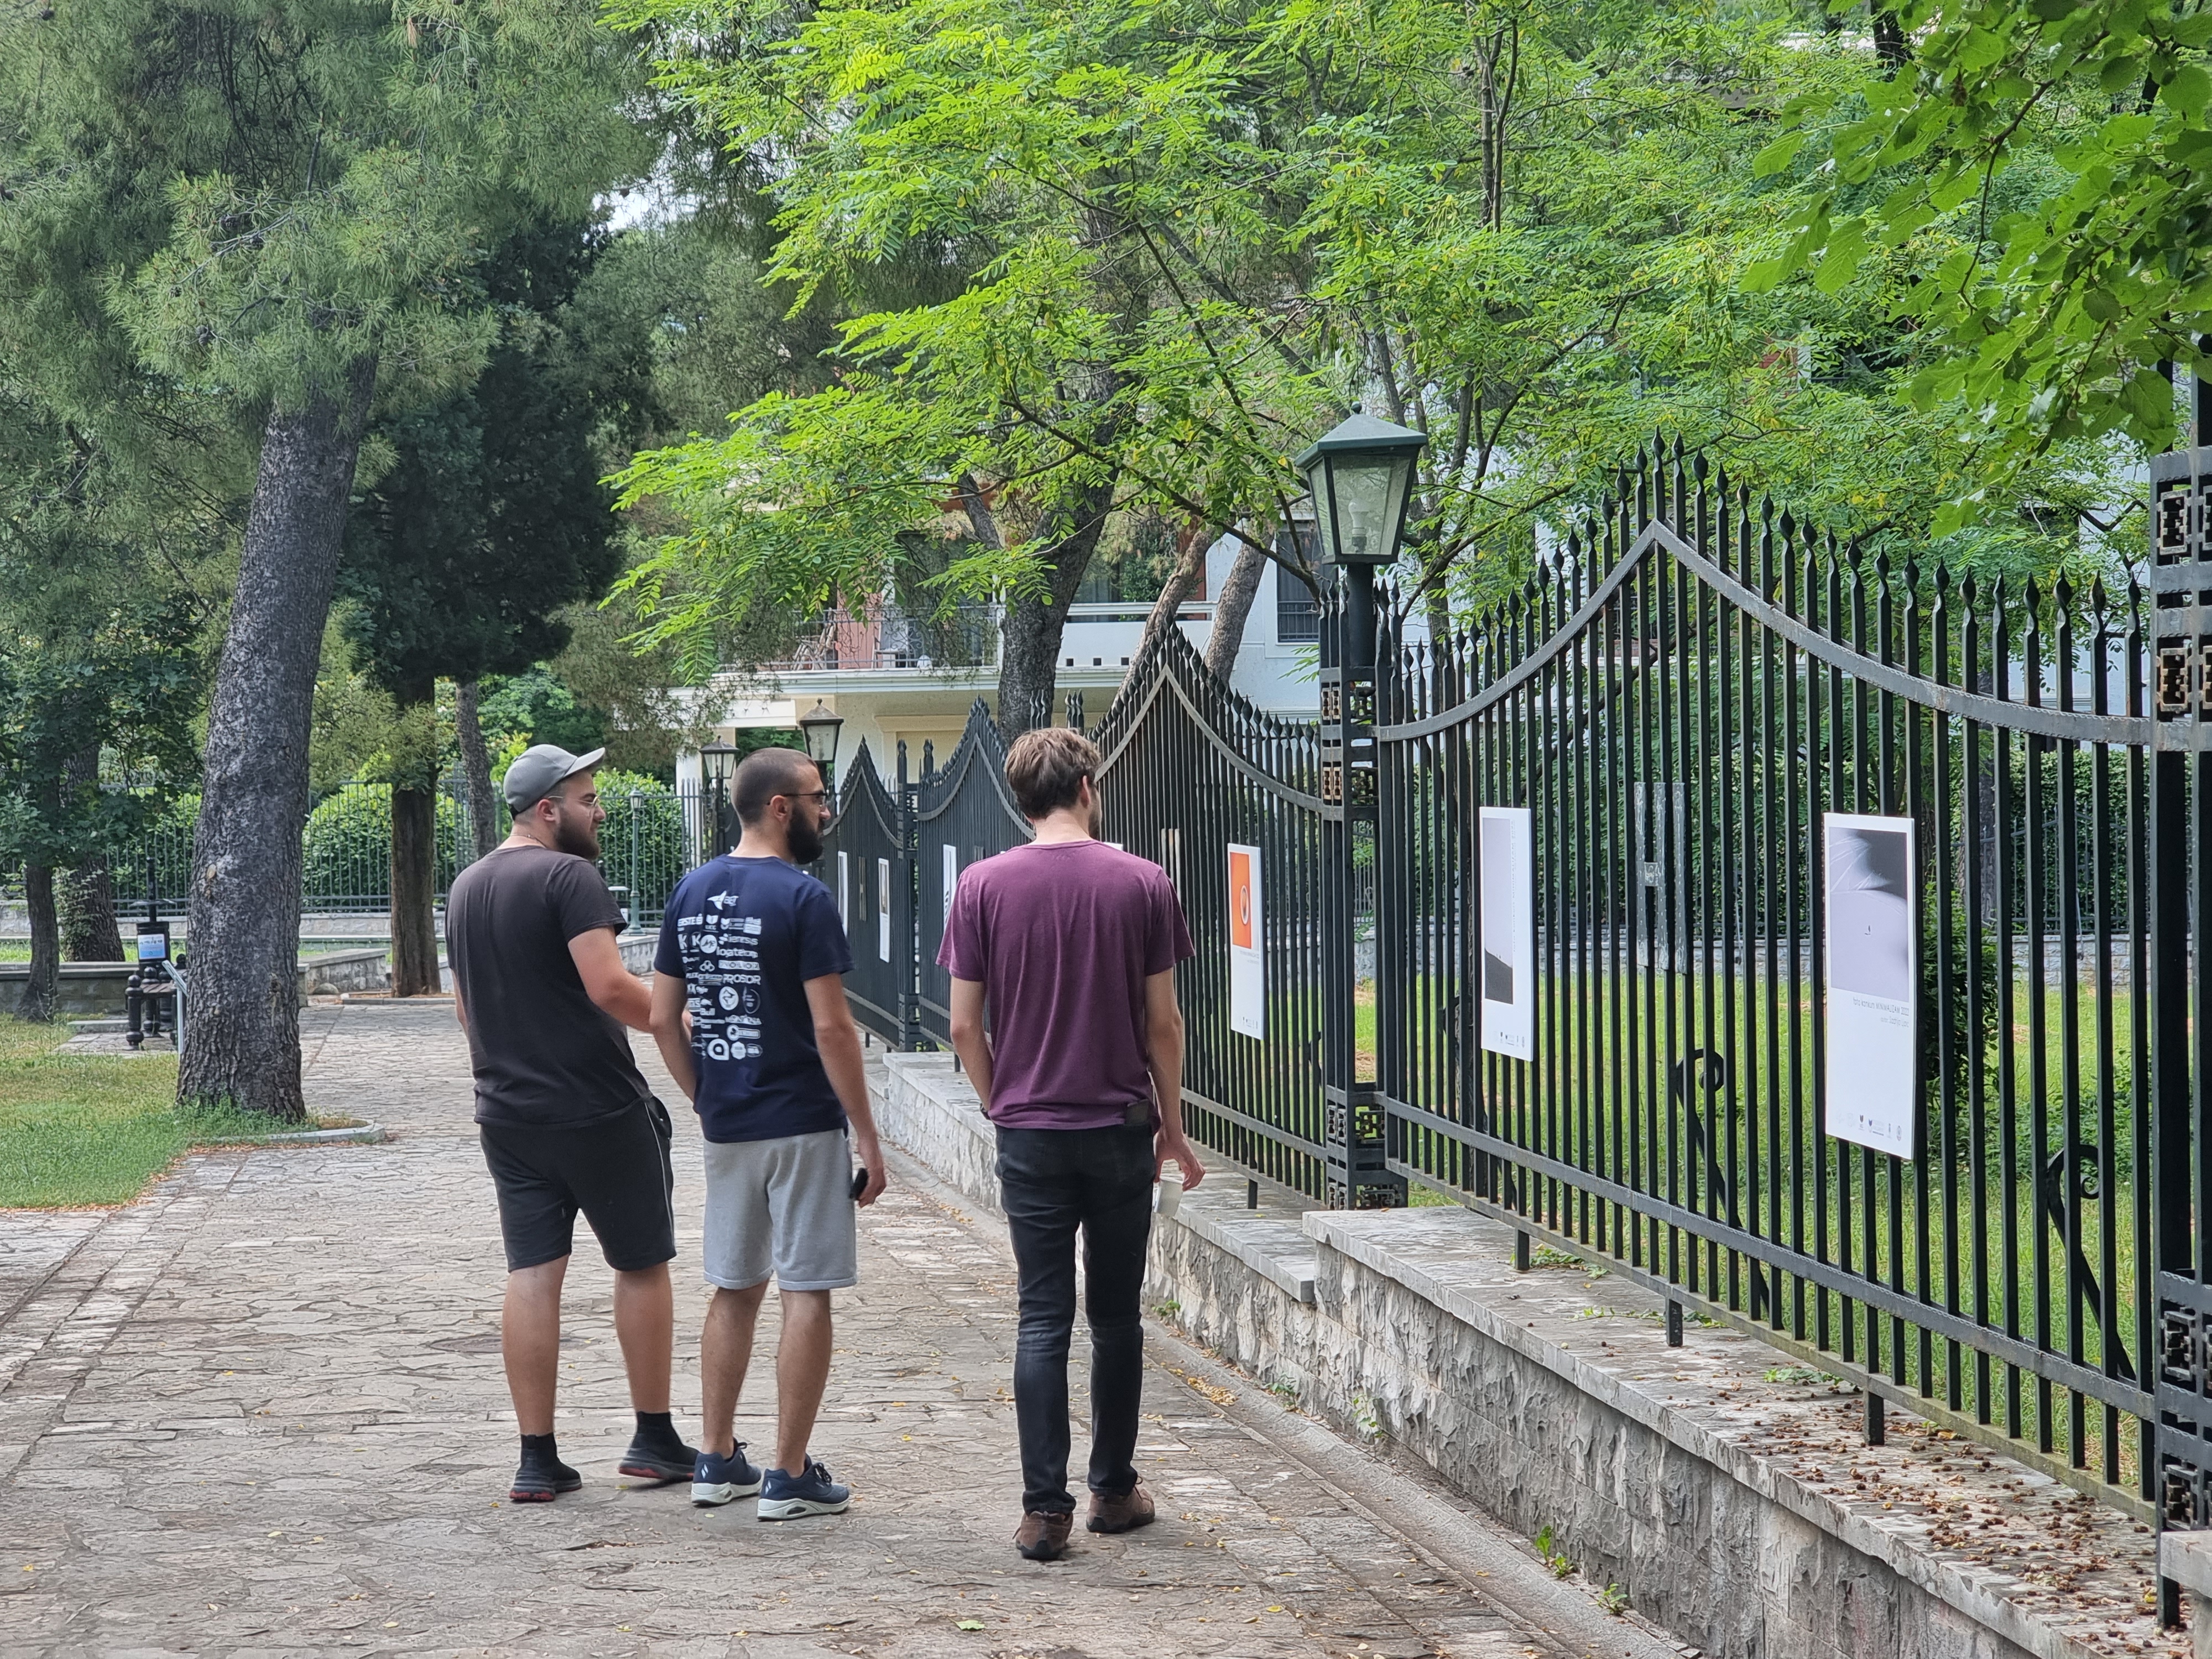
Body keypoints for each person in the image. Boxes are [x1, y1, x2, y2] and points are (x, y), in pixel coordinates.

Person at [938, 727, 1204, 1563]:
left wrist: (1001, 1105)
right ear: (1087, 786)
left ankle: (1044, 1512)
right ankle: (1113, 1491)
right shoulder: (1142, 883)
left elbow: (962, 1025)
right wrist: (1175, 1128)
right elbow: (1162, 1024)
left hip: (1030, 1134)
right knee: (1117, 1316)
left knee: (1041, 1314)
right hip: (1120, 1130)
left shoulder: (981, 887)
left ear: (1023, 798)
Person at [445, 743, 697, 1504]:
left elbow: (466, 1012)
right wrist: (684, 1020)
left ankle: (537, 1457)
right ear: (548, 809)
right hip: (597, 1108)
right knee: (641, 1263)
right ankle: (653, 1438)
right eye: (588, 799)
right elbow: (612, 988)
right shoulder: (569, 877)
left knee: (532, 1273)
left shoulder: (466, 886)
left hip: (507, 1114)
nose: (601, 810)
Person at [649, 745, 888, 1522]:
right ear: (780, 808)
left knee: (734, 1284)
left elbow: (661, 1017)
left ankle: (715, 1460)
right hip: (802, 1121)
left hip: (730, 1120)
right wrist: (868, 1136)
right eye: (818, 799)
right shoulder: (803, 898)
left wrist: (705, 1097)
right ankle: (787, 1475)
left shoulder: (690, 890)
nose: (827, 812)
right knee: (806, 1287)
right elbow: (833, 1028)